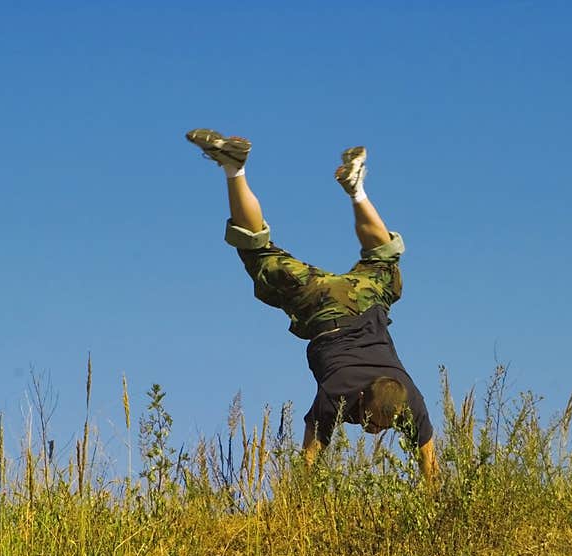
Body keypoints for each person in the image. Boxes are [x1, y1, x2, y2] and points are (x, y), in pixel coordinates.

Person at [185, 128, 439, 486]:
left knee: (384, 259)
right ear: (362, 397)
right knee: (257, 253)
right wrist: (298, 504)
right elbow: (310, 458)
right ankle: (233, 169)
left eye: (379, 428)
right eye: (369, 422)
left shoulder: (410, 399)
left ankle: (356, 189)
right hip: (322, 306)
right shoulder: (339, 391)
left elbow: (430, 463)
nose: (370, 431)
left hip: (362, 296)